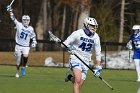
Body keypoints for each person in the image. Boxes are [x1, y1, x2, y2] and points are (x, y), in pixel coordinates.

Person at [60, 17, 102, 93]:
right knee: (78, 80)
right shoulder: (78, 33)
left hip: (86, 61)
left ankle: (69, 77)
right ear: (86, 25)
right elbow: (64, 44)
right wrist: (69, 47)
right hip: (75, 58)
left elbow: (98, 52)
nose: (94, 28)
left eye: (94, 26)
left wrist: (98, 67)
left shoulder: (96, 37)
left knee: (79, 84)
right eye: (92, 25)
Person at [7, 5, 37, 78]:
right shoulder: (19, 25)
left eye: (27, 20)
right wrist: (10, 11)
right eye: (24, 20)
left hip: (26, 46)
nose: (26, 21)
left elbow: (33, 36)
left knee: (25, 56)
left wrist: (34, 42)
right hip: (18, 45)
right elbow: (13, 18)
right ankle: (17, 72)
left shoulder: (31, 29)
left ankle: (23, 67)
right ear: (22, 20)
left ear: (29, 21)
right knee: (18, 60)